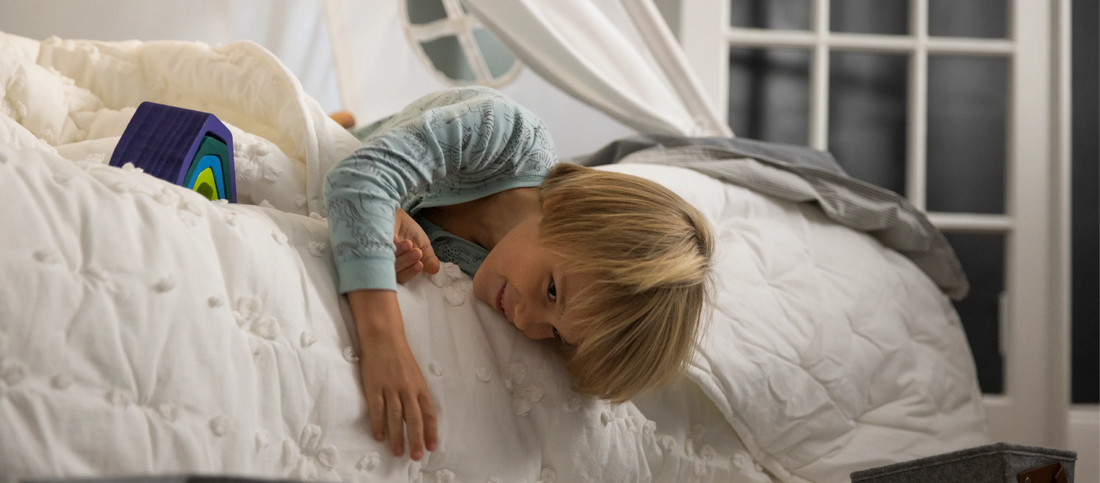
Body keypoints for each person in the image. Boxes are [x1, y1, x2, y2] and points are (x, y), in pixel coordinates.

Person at [324, 87, 713, 462]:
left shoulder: (493, 271)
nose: (526, 321)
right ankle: (337, 122)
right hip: (356, 145)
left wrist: (390, 234)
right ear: (564, 206)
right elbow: (359, 178)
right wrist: (386, 344)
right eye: (553, 292)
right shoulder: (503, 132)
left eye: (556, 332)